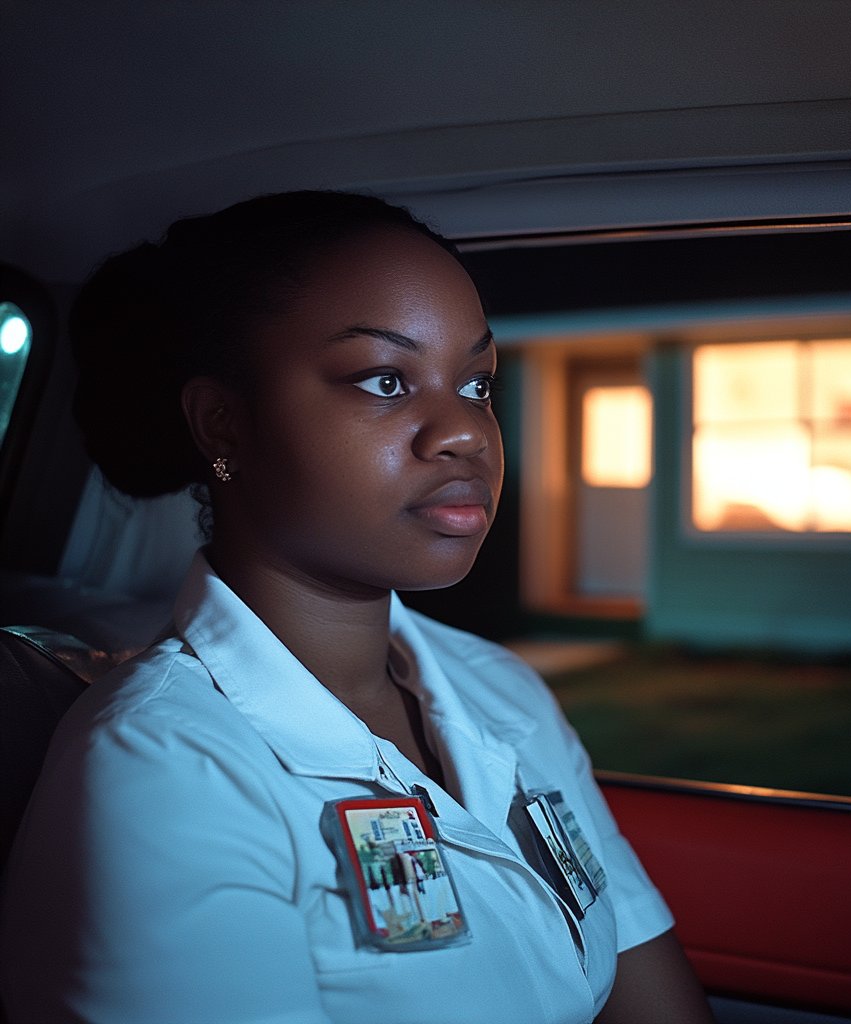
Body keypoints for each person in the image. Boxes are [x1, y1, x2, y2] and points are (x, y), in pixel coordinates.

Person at [0, 192, 713, 1023]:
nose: (465, 433)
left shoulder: (501, 690)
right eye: (384, 380)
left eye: (477, 382)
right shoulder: (163, 768)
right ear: (223, 423)